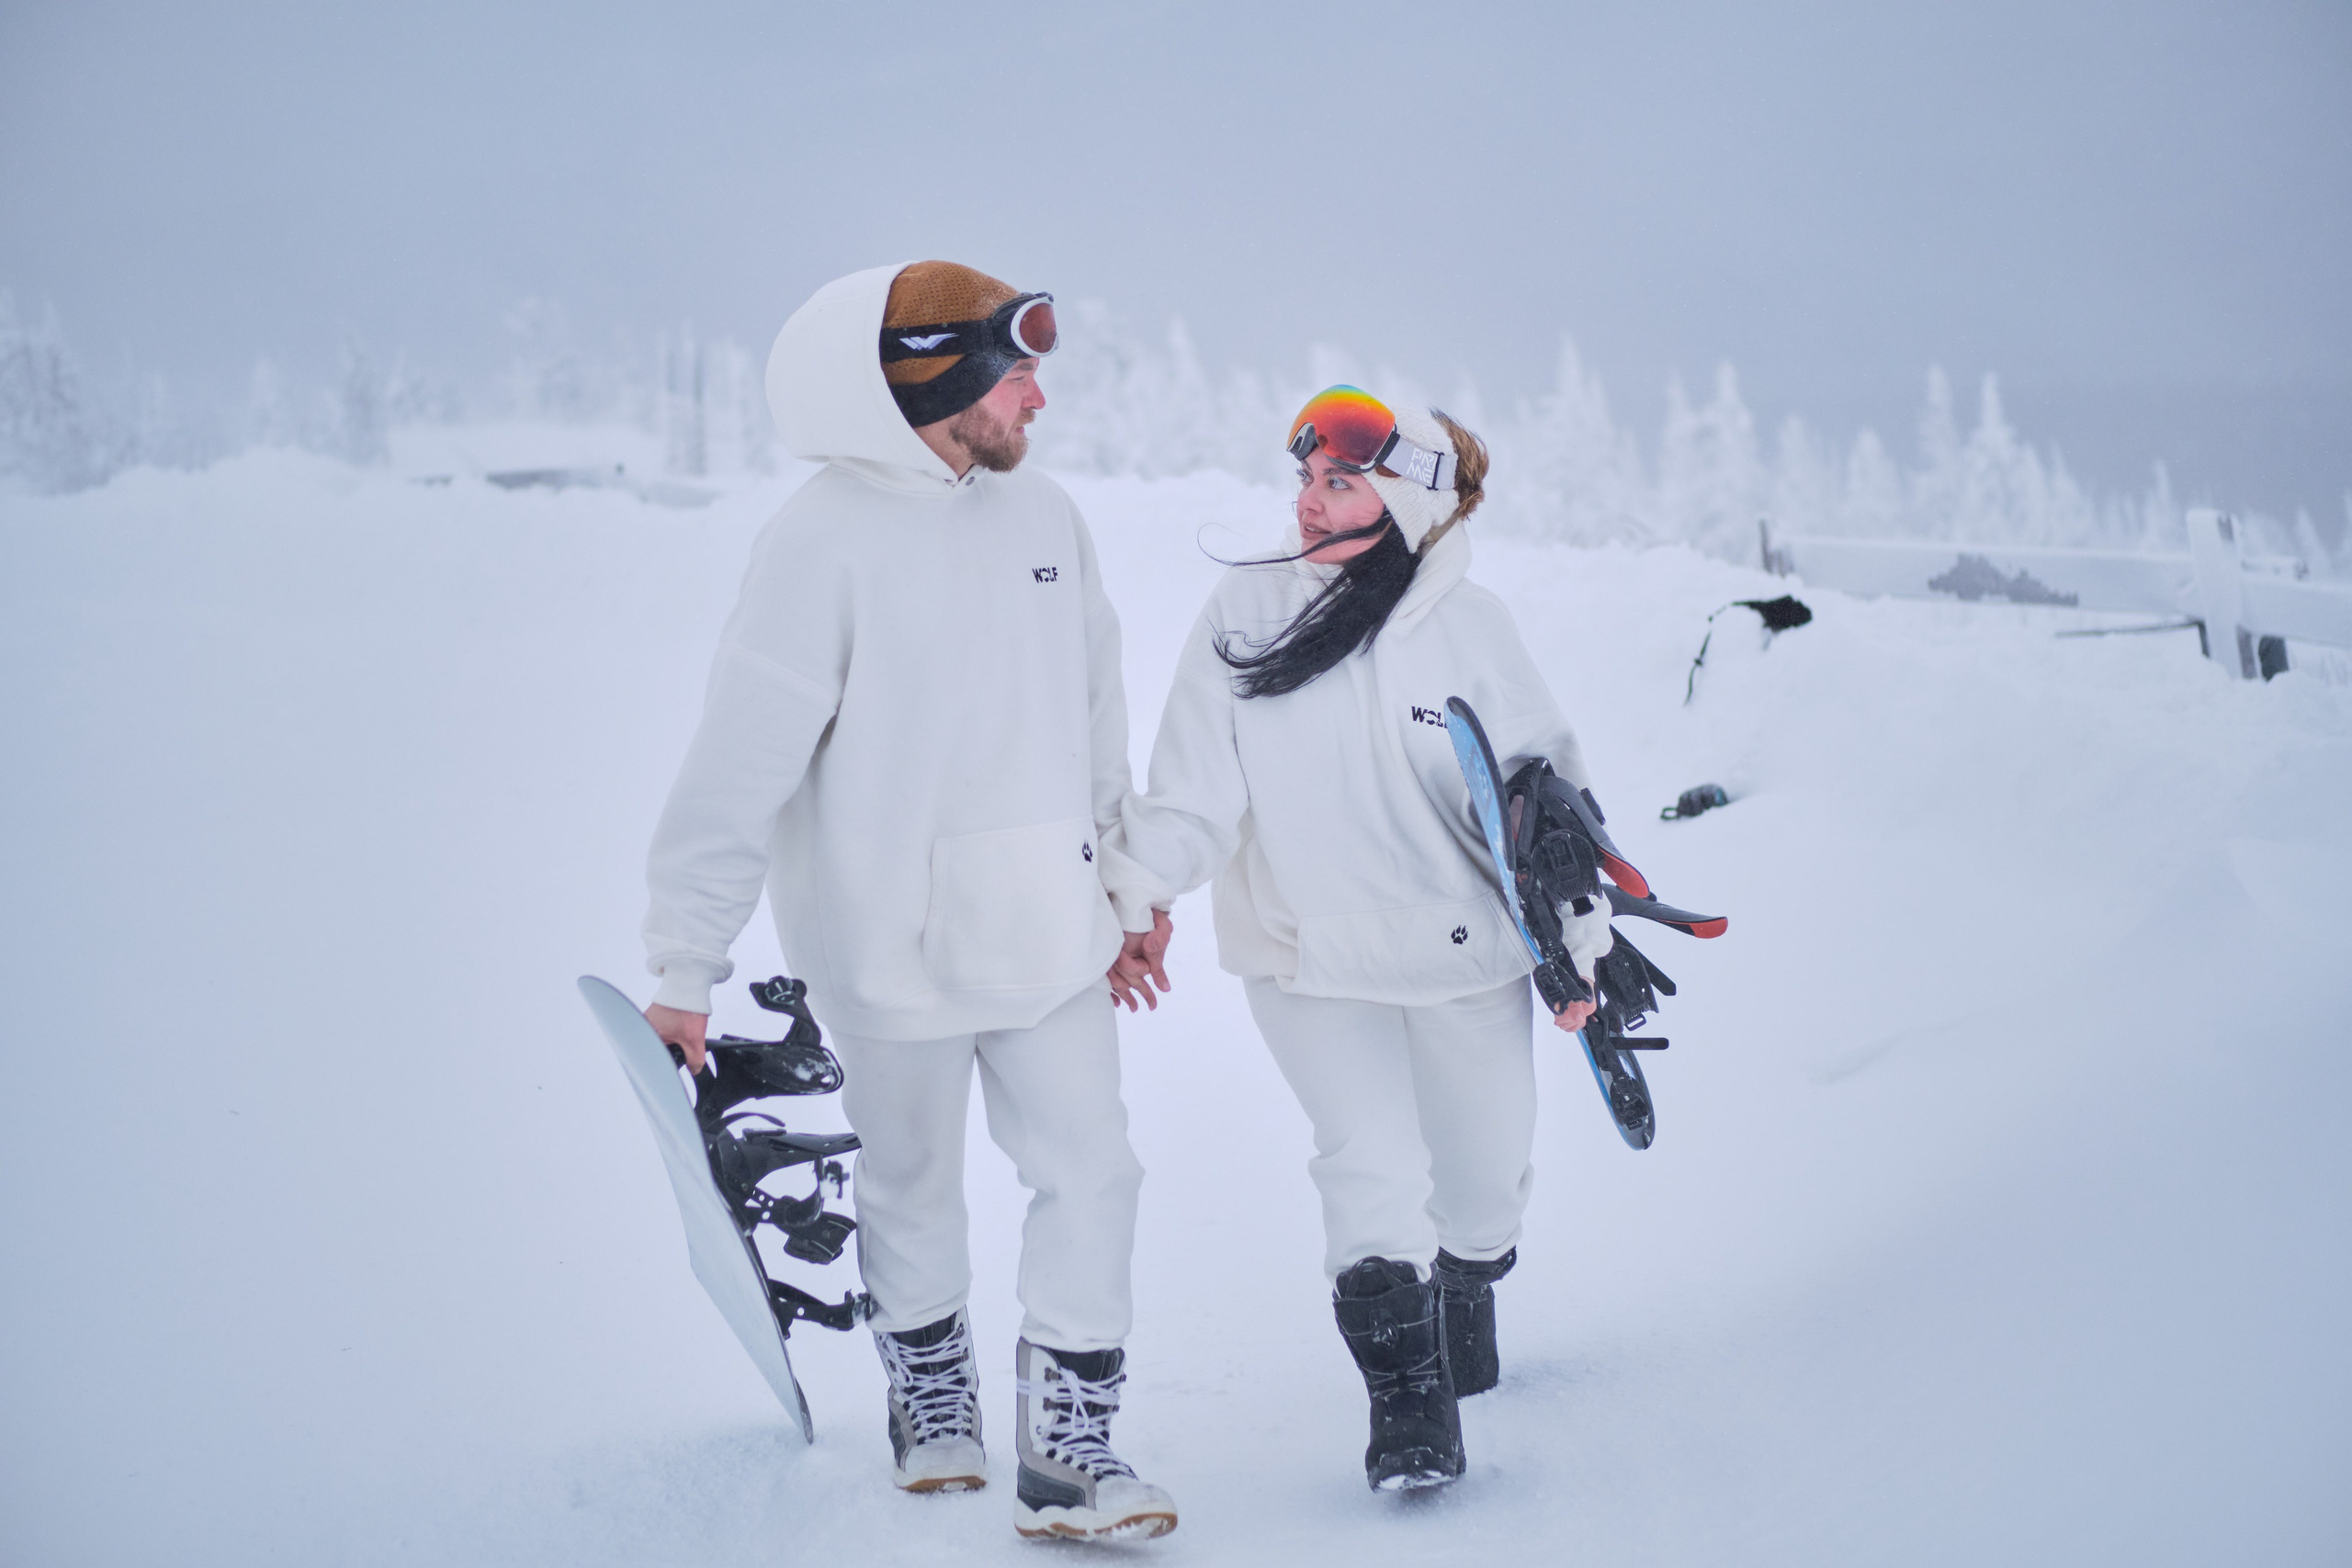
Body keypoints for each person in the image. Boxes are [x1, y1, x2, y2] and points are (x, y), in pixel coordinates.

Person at [639, 260, 1177, 1541]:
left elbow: (1095, 715)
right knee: (911, 1180)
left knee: (1095, 1171)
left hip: (1050, 931)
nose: (1039, 395)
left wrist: (1131, 879)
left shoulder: (1047, 516)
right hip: (885, 944)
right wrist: (683, 964)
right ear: (938, 380)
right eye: (1018, 369)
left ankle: (1069, 1438)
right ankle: (929, 1386)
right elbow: (739, 765)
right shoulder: (818, 540)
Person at [1100, 387, 1613, 1492]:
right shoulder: (1245, 611)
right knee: (1368, 1165)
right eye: (1303, 481)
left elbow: (1551, 804)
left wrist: (1579, 943)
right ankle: (1408, 1411)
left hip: (1466, 955)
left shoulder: (1474, 631)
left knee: (1480, 1185)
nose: (1307, 504)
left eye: (1338, 482)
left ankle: (1465, 1278)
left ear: (1405, 501)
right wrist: (1139, 892)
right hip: (1306, 953)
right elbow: (1192, 792)